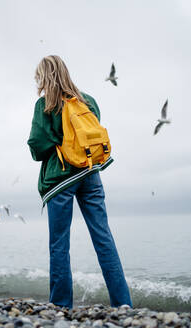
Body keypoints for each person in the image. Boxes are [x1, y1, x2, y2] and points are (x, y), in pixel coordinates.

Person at [27, 55, 132, 308]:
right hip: (91, 173)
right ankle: (123, 304)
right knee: (103, 238)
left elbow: (37, 147)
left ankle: (62, 305)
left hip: (61, 180)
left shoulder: (45, 104)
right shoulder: (89, 101)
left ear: (45, 75)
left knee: (60, 245)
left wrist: (56, 143)